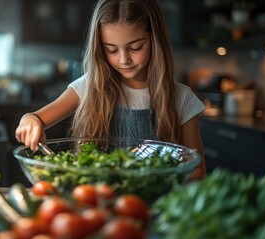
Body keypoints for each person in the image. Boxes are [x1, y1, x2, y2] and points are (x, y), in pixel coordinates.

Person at [15, 0, 206, 179]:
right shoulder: (90, 87)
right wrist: (30, 121)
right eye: (112, 50)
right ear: (99, 48)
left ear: (155, 40)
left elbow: (197, 171)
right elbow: (35, 118)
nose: (124, 60)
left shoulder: (182, 99)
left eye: (136, 47)